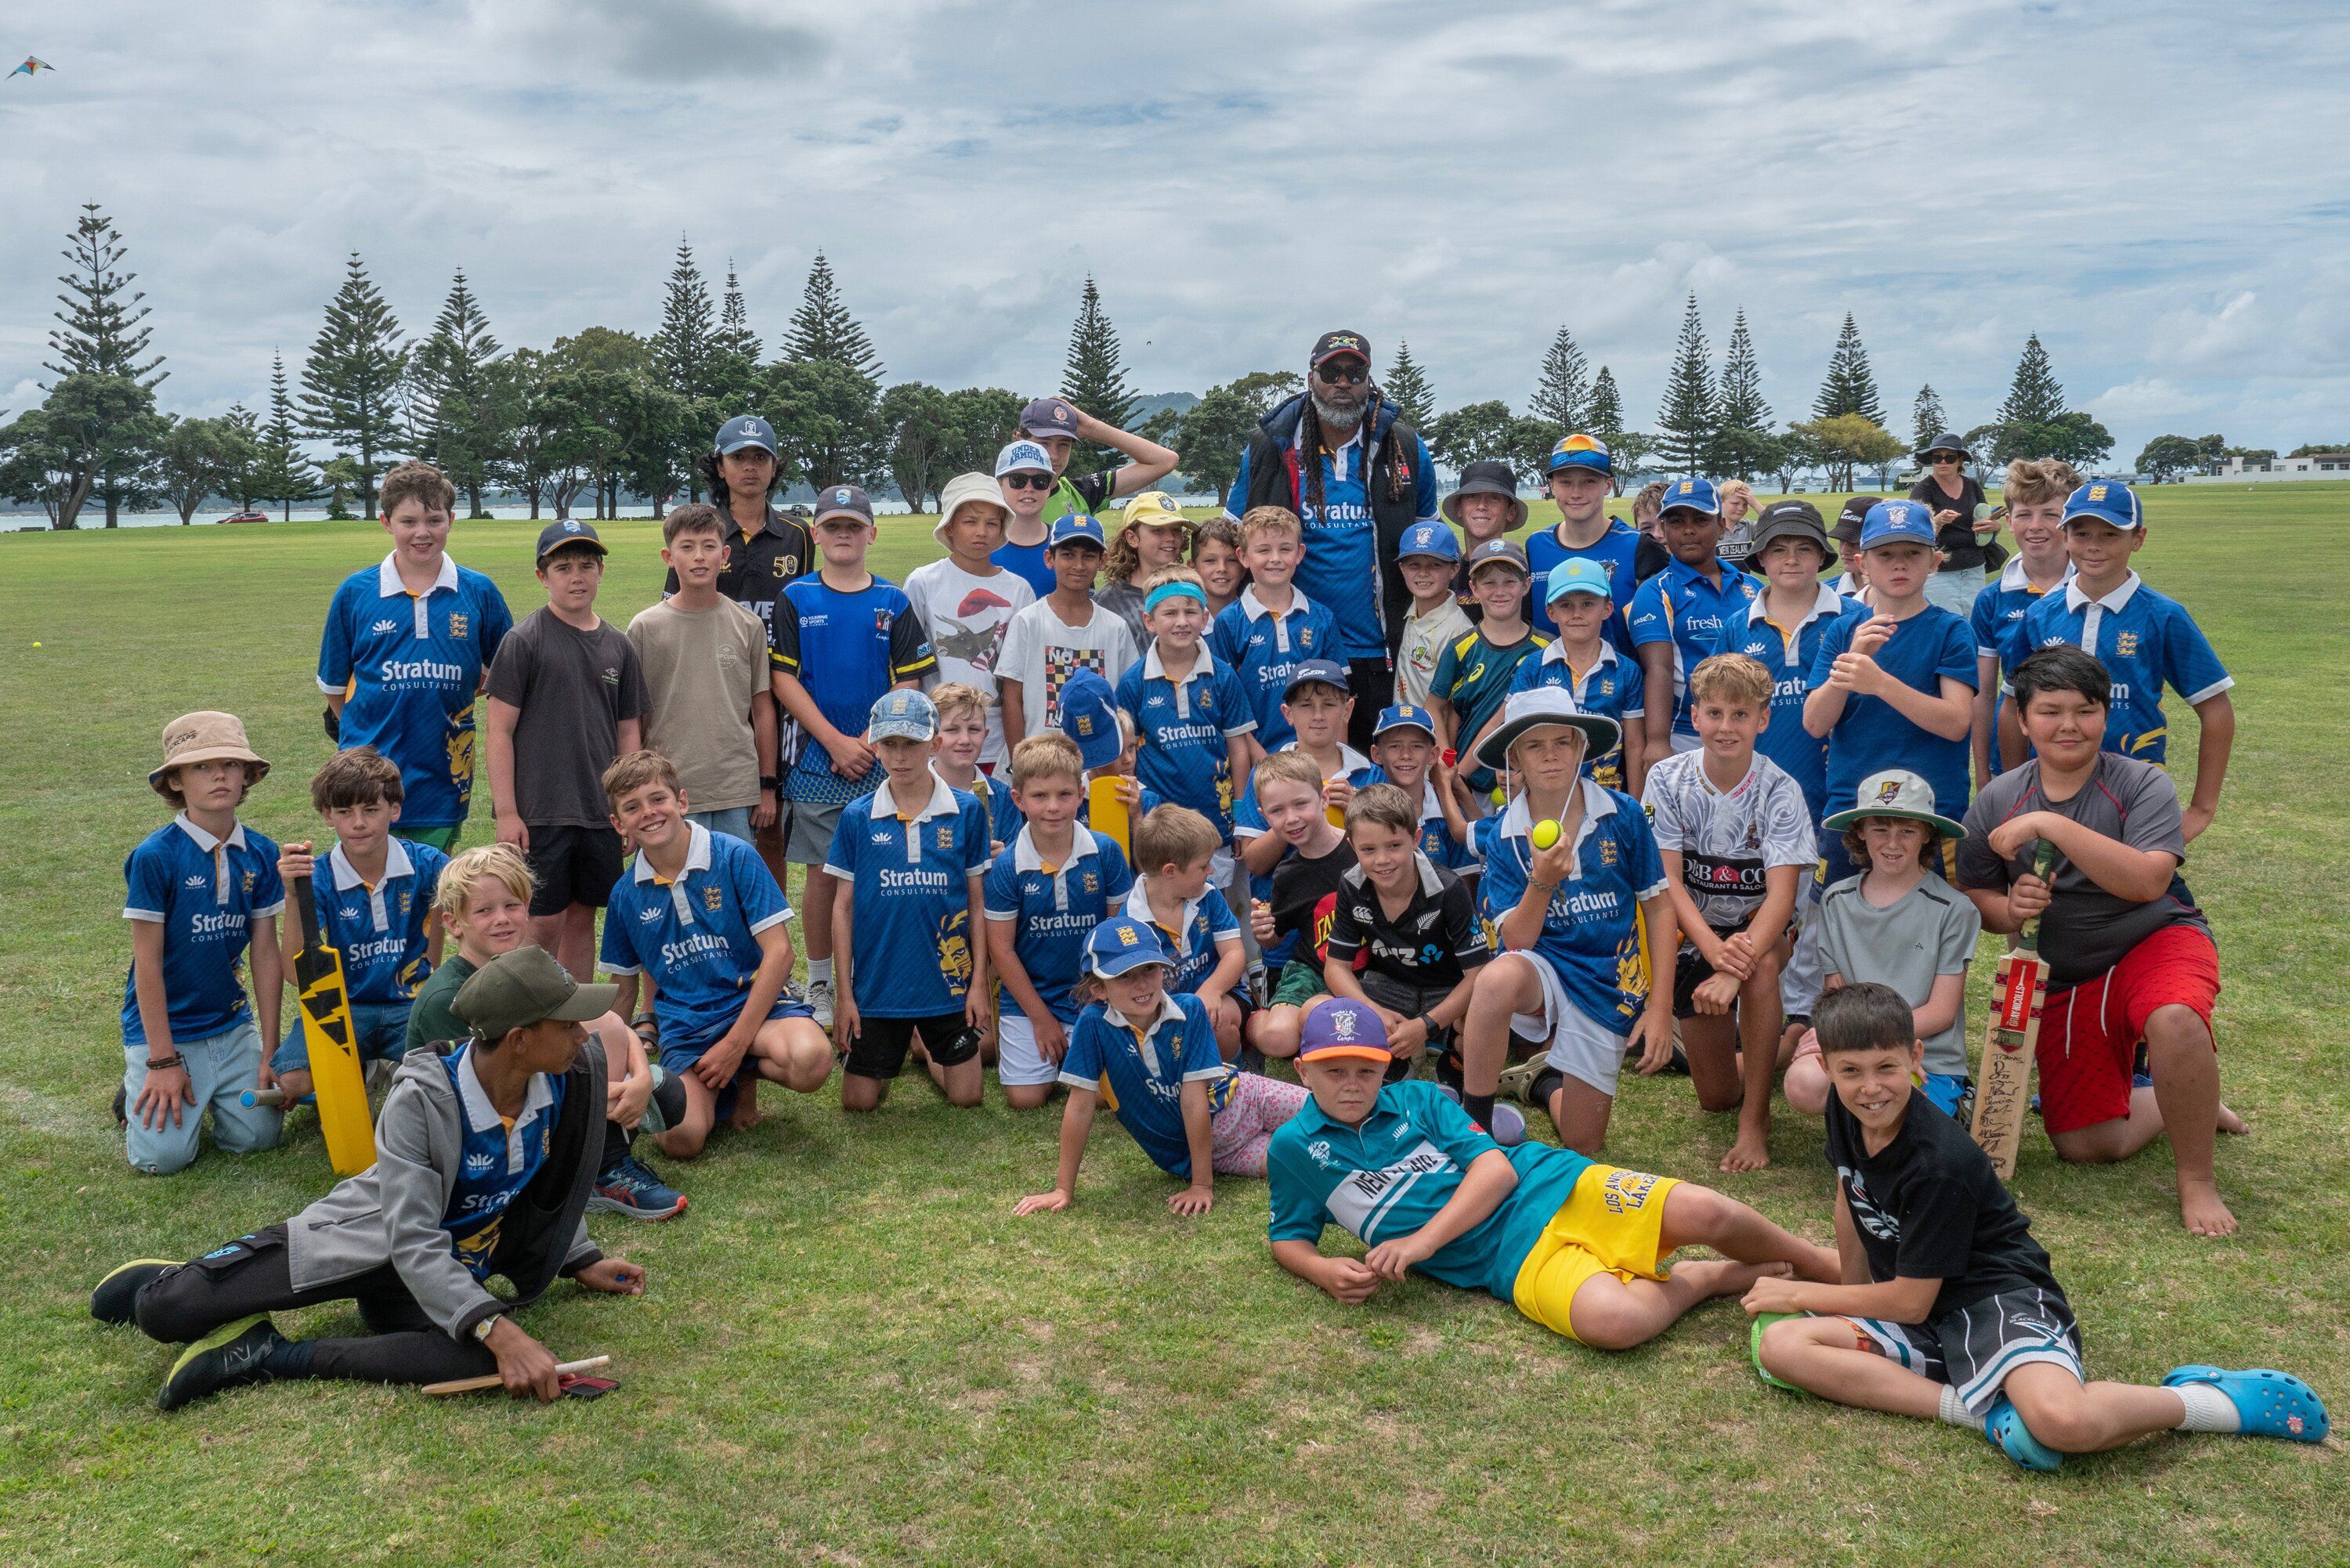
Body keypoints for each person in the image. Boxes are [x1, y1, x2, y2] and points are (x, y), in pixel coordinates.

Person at [1746, 983, 2326, 1470]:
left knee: (2061, 1422)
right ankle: (1983, 1415)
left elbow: (1912, 1304)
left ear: (1916, 1057)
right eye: (1851, 1072)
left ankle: (2211, 1401)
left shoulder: (1939, 1163)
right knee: (1784, 1345)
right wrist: (1850, 1297)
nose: (1871, 1088)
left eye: (1886, 1068)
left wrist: (1802, 1291)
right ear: (1825, 1069)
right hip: (1922, 1303)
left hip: (1991, 1298)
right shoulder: (1844, 1111)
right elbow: (1852, 1193)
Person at [92, 946, 649, 1409]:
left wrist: (580, 1258)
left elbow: (548, 1184)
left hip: (439, 1271)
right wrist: (500, 1329)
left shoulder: (568, 1076)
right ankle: (178, 1278)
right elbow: (410, 1238)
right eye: (567, 1023)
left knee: (482, 1350)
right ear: (519, 1039)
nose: (583, 1034)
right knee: (166, 1312)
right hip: (370, 1237)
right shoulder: (422, 1098)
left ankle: (268, 1355)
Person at [1267, 999, 1843, 1351]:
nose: (1350, 1084)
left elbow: (1495, 1172)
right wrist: (1321, 1270)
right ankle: (1704, 1279)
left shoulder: (1418, 1098)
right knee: (1616, 1323)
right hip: (1505, 1260)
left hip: (1549, 1182)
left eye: (1365, 1071)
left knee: (1707, 1211)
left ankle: (1826, 1268)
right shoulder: (1295, 1147)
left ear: (1384, 1067)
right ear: (1301, 1071)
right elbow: (1288, 1238)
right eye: (1332, 1071)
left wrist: (1418, 1244)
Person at [1956, 646, 2243, 1237]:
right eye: (2050, 711)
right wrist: (2009, 907)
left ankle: (2196, 1180)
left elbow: (2147, 881)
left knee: (2175, 1018)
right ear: (2023, 718)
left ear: (2105, 715)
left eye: (2085, 710)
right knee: (2085, 1144)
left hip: (2155, 938)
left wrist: (2051, 824)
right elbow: (1975, 896)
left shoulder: (2140, 784)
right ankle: (2181, 1097)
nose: (2068, 726)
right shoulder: (1996, 799)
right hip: (2065, 973)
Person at [405, 844, 681, 1222]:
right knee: (597, 1065)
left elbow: (611, 1023)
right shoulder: (449, 998)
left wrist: (643, 1079)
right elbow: (480, 1095)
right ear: (454, 923)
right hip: (475, 1132)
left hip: (526, 1092)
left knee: (664, 1091)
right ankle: (600, 1164)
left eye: (511, 906)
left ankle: (603, 1142)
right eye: (484, 911)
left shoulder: (529, 965)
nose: (501, 919)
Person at [1462, 689, 1675, 1152]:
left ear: (1582, 747)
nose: (1551, 755)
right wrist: (1541, 883)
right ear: (1513, 757)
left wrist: (1659, 1009)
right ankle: (1472, 1129)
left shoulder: (1624, 814)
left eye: (1563, 741)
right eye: (1535, 746)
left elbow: (1659, 909)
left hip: (1609, 980)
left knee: (1584, 1145)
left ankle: (1541, 1085)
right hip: (1543, 969)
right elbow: (1516, 940)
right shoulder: (1503, 834)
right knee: (1496, 981)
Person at [598, 751, 833, 1158]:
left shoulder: (734, 855)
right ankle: (700, 1082)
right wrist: (608, 1067)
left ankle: (740, 1074)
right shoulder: (624, 895)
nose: (649, 813)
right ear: (619, 824)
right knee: (680, 1142)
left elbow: (780, 954)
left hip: (755, 1010)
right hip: (687, 1028)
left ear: (682, 802)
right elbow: (622, 993)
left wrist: (733, 1046)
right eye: (632, 808)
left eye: (658, 799)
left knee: (812, 1061)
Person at [769, 483, 938, 1029]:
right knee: (823, 875)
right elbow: (783, 678)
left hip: (879, 758)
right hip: (818, 760)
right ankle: (821, 981)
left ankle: (876, 977)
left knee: (880, 872)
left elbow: (909, 678)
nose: (844, 536)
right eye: (833, 527)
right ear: (815, 535)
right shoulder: (797, 597)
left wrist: (869, 740)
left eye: (853, 526)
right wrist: (835, 742)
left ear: (872, 533)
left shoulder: (893, 601)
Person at [1225, 331, 1442, 745]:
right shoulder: (1271, 446)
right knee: (1301, 783)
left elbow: (1430, 542)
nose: (1343, 383)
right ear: (1311, 378)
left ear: (1369, 380)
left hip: (1381, 650)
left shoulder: (1405, 447)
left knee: (1374, 779)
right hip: (1294, 653)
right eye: (1331, 371)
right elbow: (1227, 540)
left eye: (1355, 372)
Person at [1643, 654, 1815, 1172]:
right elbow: (1668, 881)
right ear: (1693, 717)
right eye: (1714, 713)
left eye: (1741, 715)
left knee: (1760, 968)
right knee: (1716, 1095)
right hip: (1697, 932)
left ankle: (1755, 1120)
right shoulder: (1668, 779)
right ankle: (1782, 1047)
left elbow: (1781, 899)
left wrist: (1731, 964)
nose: (1726, 727)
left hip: (1764, 929)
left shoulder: (1781, 791)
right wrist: (1713, 952)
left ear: (1763, 719)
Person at [1014, 918, 1310, 1216]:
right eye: (1125, 976)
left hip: (1248, 1099)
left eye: (1149, 969)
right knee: (1315, 1160)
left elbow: (1194, 1100)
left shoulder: (1190, 1009)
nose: (1141, 983)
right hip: (1216, 1154)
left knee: (1338, 1116)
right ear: (1098, 989)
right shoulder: (1092, 1025)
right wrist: (1063, 1189)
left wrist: (1203, 1185)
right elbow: (1079, 1107)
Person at [1712, 501, 1861, 1048]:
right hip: (1756, 797)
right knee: (1760, 904)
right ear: (1760, 556)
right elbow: (1719, 709)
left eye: (1803, 548)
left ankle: (1803, 1012)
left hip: (1828, 792)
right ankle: (1753, 1005)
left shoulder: (1851, 617)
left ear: (1822, 555)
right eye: (1779, 548)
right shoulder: (1737, 624)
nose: (1791, 559)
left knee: (1817, 907)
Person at [118, 712, 286, 1176]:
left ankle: (216, 1083)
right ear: (174, 779)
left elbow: (265, 953)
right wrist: (162, 1061)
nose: (219, 775)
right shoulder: (156, 856)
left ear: (248, 775)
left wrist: (269, 1051)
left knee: (260, 1138)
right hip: (168, 1034)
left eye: (232, 764)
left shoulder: (263, 852)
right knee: (162, 1160)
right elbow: (146, 966)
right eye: (201, 767)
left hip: (232, 1026)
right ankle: (138, 1083)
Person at [2019, 481, 2235, 841]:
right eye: (2082, 532)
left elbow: (2216, 710)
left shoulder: (2163, 615)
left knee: (2135, 888)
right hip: (2050, 786)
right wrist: (2015, 786)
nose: (2094, 545)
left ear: (2138, 538)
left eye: (2110, 534)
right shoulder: (2040, 615)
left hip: (2134, 790)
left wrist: (2201, 809)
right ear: (2065, 536)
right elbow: (2015, 705)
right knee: (2050, 890)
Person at [316, 460, 512, 854]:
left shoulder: (478, 591)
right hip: (365, 783)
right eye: (408, 521)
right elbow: (335, 691)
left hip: (442, 778)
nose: (422, 533)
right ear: (386, 523)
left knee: (431, 894)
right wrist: (366, 739)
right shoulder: (355, 593)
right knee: (368, 889)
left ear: (451, 520)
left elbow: (509, 677)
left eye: (434, 520)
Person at [484, 519, 646, 981]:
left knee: (583, 917)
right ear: (542, 576)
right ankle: (527, 1012)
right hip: (542, 811)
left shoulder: (618, 645)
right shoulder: (523, 641)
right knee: (542, 917)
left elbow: (628, 731)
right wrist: (507, 812)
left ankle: (569, 1017)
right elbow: (498, 732)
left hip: (599, 811)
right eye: (563, 567)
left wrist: (627, 806)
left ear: (600, 572)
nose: (576, 577)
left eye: (587, 566)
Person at [1781, 770, 1978, 1134]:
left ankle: (1947, 1104)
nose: (1893, 843)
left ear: (1927, 835)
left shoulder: (1954, 909)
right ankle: (1867, 1119)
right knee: (1803, 1084)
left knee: (1911, 1135)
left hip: (1925, 1055)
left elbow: (1941, 1012)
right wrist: (1837, 1039)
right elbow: (1837, 993)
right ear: (1859, 832)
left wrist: (1878, 1047)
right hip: (1856, 1047)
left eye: (1907, 830)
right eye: (1880, 829)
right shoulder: (1837, 900)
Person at [826, 690, 994, 1113]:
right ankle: (895, 1054)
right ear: (876, 746)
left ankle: (924, 1053)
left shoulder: (967, 811)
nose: (899, 757)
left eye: (912, 744)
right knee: (858, 1104)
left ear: (934, 744)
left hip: (948, 985)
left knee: (967, 1097)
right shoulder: (857, 818)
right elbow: (842, 909)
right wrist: (844, 996)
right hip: (878, 988)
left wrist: (978, 986)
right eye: (889, 745)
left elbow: (976, 902)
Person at [1802, 500, 1976, 888]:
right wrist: (1852, 662)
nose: (1900, 565)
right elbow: (1815, 723)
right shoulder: (1842, 631)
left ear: (1935, 560)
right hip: (1853, 812)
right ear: (1863, 563)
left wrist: (1880, 683)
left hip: (1929, 813)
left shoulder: (1951, 631)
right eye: (1886, 555)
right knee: (1838, 931)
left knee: (1926, 936)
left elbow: (1956, 722)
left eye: (1913, 553)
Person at [674, 415, 815, 894]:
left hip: (779, 692)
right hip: (715, 688)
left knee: (768, 822)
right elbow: (676, 612)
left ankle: (768, 934)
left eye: (760, 457)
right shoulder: (702, 533)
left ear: (775, 467)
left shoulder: (798, 535)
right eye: (739, 458)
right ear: (720, 465)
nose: (750, 467)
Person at [268, 748, 448, 1108]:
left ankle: (390, 1066)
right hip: (342, 1008)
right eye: (344, 812)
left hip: (409, 1005)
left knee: (449, 1065)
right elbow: (293, 973)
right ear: (327, 816)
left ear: (394, 810)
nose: (358, 823)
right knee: (294, 1080)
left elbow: (439, 942)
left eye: (370, 810)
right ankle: (363, 1070)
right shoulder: (315, 877)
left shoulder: (429, 864)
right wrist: (293, 896)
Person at [985, 734, 1134, 1111]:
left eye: (1064, 795)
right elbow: (1001, 949)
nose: (1053, 807)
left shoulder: (1106, 852)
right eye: (1039, 796)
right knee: (1025, 1099)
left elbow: (1118, 935)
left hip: (1092, 994)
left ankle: (1080, 1049)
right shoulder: (1007, 868)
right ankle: (1050, 1047)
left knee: (1105, 1099)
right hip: (1031, 1000)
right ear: (1019, 800)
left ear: (1081, 794)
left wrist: (1100, 997)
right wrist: (1041, 1019)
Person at [1319, 783, 1491, 1082]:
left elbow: (1478, 974)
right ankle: (1394, 1064)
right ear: (1352, 846)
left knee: (1482, 1011)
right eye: (1368, 849)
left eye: (1394, 845)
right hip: (1388, 991)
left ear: (1416, 839)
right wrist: (1373, 1011)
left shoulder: (1448, 888)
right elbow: (1336, 967)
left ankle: (1452, 1063)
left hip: (1447, 992)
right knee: (1320, 1010)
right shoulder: (1350, 884)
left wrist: (1426, 1025)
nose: (1382, 860)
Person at [628, 503, 775, 847]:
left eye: (709, 546)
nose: (699, 557)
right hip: (665, 790)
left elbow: (762, 709)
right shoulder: (644, 628)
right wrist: (635, 792)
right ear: (668, 556)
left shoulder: (748, 625)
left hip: (734, 790)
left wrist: (766, 785)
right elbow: (631, 719)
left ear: (724, 555)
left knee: (730, 889)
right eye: (687, 547)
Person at [1112, 568, 1259, 876]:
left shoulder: (1223, 677)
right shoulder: (1133, 682)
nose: (1182, 622)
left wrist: (1242, 816)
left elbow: (1238, 749)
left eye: (1191, 612)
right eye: (1170, 613)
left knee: (1217, 910)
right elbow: (1124, 752)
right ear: (1149, 621)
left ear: (1205, 619)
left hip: (1217, 823)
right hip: (1159, 824)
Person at [904, 471, 1035, 769]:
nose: (982, 532)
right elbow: (908, 666)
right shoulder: (924, 582)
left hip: (996, 740)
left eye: (992, 523)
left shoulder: (1018, 589)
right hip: (937, 739)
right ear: (949, 527)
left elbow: (1020, 678)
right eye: (970, 522)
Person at [1629, 477, 1762, 762]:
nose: (1688, 530)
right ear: (1664, 530)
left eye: (1700, 520)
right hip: (1686, 735)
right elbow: (1659, 670)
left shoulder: (1753, 588)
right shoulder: (1656, 591)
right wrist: (1657, 741)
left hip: (1753, 731)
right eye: (1676, 522)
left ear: (1722, 527)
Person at [1242, 752, 1361, 1059]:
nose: (1292, 818)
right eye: (1277, 811)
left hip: (1367, 966)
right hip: (1311, 969)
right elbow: (1275, 937)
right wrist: (1263, 930)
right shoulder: (1287, 874)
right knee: (1278, 1039)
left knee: (1337, 1024)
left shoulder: (1361, 848)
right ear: (1264, 816)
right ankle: (1255, 1018)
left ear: (1323, 799)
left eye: (1300, 804)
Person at [1971, 458, 2077, 779]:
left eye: (2050, 514)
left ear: (2069, 520)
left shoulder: (2093, 588)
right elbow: (1985, 695)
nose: (2036, 525)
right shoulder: (1992, 599)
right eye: (2024, 515)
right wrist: (1984, 775)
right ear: (2010, 522)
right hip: (2013, 756)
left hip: (2085, 753)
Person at [996, 513, 1141, 744]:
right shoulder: (1028, 622)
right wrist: (1019, 761)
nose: (1079, 565)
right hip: (1041, 758)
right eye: (1068, 555)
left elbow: (1127, 699)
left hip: (1099, 757)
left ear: (1103, 561)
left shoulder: (1115, 628)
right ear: (1049, 558)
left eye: (1089, 556)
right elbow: (1012, 698)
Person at [1509, 558, 1645, 793]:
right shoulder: (1533, 666)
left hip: (1605, 794)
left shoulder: (1626, 671)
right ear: (1551, 612)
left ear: (1607, 609)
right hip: (1543, 793)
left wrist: (1636, 803)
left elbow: (1633, 745)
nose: (1577, 614)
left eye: (1588, 604)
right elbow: (1514, 733)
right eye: (1566, 606)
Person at [1211, 504, 1341, 751]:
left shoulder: (1322, 618)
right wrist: (1261, 760)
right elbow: (1228, 706)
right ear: (1243, 557)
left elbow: (1338, 699)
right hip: (1259, 757)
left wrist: (1335, 762)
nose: (1275, 559)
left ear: (1300, 553)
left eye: (1285, 549)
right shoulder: (1229, 622)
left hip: (1315, 757)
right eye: (1263, 550)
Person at [1430, 539, 1547, 808]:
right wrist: (1448, 763)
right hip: (1472, 785)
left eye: (1510, 582)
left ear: (1527, 585)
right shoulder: (1461, 647)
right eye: (1489, 583)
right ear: (1473, 588)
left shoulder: (1547, 648)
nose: (1500, 591)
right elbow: (1434, 706)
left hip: (1530, 782)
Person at [1122, 804, 1249, 1052]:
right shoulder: (1131, 922)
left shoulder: (1209, 896)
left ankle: (1232, 1077)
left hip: (1221, 994)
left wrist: (1212, 990)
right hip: (1163, 1008)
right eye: (1203, 866)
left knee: (1215, 1023)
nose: (1211, 871)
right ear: (1170, 871)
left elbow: (1234, 954)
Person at [1527, 438, 1664, 644]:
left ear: (1608, 484)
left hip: (1622, 674)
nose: (1576, 493)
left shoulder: (1638, 546)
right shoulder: (1535, 545)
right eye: (1565, 482)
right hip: (1545, 675)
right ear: (1552, 485)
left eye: (1589, 481)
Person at [1014, 393, 1184, 533]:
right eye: (1044, 443)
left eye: (1064, 444)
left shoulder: (1083, 493)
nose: (1054, 455)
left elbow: (1165, 461)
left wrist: (1091, 428)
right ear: (1019, 441)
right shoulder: (998, 497)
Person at [1350, 703, 1476, 878]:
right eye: (1395, 746)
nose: (1406, 755)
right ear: (1376, 754)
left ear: (1433, 755)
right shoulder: (1361, 810)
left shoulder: (1449, 816)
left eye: (1416, 746)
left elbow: (1466, 886)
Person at [1910, 432, 2001, 616]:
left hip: (1974, 567)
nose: (1943, 462)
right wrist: (1937, 522)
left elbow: (1985, 519)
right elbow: (1914, 534)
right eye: (1937, 458)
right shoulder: (1923, 490)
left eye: (1949, 458)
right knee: (1946, 622)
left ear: (1960, 461)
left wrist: (1995, 527)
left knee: (1975, 619)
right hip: (1940, 571)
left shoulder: (1972, 486)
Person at [1096, 492, 1195, 651]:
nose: (1170, 537)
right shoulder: (1109, 602)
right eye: (1158, 530)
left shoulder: (1192, 591)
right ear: (1132, 538)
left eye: (1176, 530)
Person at [1392, 522, 1473, 710]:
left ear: (1454, 569)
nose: (1423, 573)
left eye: (1435, 565)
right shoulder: (1412, 614)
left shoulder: (1458, 631)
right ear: (1402, 569)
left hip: (1434, 736)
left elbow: (1456, 706)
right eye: (1414, 565)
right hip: (1405, 729)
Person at [1444, 458, 1528, 615]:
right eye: (1472, 496)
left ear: (1511, 511)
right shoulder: (1446, 576)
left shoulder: (1522, 574)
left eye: (1493, 498)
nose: (1481, 506)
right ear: (1458, 508)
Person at [989, 439, 1061, 599]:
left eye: (1039, 481)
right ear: (999, 485)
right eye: (1018, 480)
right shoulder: (983, 547)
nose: (1029, 488)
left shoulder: (1065, 544)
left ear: (1048, 488)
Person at [1190, 516, 1248, 618]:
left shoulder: (1255, 619)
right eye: (1210, 561)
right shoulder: (1184, 621)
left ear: (1243, 568)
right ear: (1192, 568)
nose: (1222, 568)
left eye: (1232, 561)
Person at [1716, 479, 1762, 568]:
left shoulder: (1748, 527)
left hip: (1743, 581)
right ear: (1720, 502)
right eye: (1735, 503)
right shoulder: (1713, 528)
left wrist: (1755, 503)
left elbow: (1775, 524)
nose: (1741, 508)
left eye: (1745, 504)